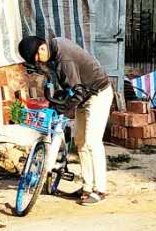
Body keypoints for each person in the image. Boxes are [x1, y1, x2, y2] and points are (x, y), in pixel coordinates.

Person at [18, 34, 112, 206]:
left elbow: (77, 92)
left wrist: (64, 107)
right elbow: (73, 86)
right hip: (86, 94)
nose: (38, 62)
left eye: (36, 58)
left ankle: (100, 189)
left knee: (92, 141)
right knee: (80, 141)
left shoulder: (64, 58)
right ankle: (87, 187)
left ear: (42, 48)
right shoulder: (55, 48)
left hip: (98, 94)